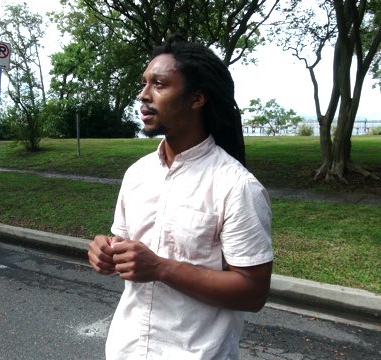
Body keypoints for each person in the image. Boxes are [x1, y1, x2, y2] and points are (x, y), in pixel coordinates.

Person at [88, 36, 273, 360]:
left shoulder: (236, 187)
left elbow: (253, 292)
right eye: (144, 83)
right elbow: (123, 244)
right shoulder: (137, 174)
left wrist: (160, 268)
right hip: (125, 350)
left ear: (196, 98)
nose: (143, 95)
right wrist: (105, 252)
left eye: (159, 84)